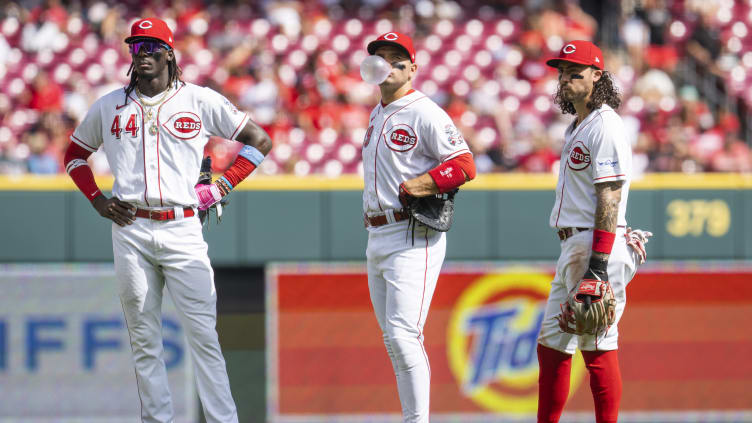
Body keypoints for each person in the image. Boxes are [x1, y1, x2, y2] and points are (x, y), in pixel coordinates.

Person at [63, 18, 272, 423]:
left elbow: (260, 141)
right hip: (130, 227)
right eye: (135, 46)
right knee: (144, 339)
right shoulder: (109, 105)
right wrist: (97, 200)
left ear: (169, 52)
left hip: (182, 225)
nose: (142, 54)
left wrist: (222, 186)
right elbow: (74, 155)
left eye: (151, 46)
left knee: (204, 337)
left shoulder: (198, 99)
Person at [361, 32, 476, 422]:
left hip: (411, 232)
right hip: (377, 233)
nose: (387, 64)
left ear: (413, 68)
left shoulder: (424, 111)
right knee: (393, 340)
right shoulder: (377, 112)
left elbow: (464, 165)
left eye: (397, 58)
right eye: (381, 56)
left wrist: (421, 185)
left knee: (403, 335)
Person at [536, 40, 650, 423]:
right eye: (562, 72)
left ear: (597, 76)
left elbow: (610, 196)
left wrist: (598, 267)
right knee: (551, 344)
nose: (565, 79)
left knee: (597, 346)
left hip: (595, 245)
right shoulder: (580, 125)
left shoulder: (605, 125)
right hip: (575, 244)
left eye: (575, 73)